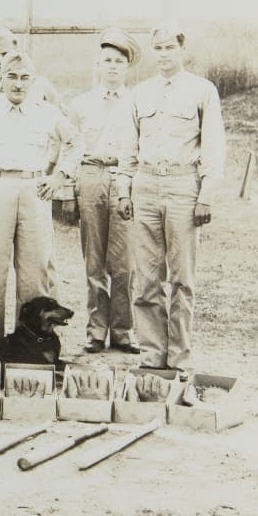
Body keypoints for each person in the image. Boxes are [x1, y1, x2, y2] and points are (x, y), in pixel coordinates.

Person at [116, 25, 226, 376]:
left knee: (182, 278)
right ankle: (151, 355)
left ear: (182, 48)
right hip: (145, 185)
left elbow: (212, 147)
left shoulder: (202, 91)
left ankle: (179, 357)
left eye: (169, 47)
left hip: (183, 186)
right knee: (146, 278)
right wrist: (123, 189)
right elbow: (127, 147)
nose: (163, 54)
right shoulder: (140, 94)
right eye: (158, 48)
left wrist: (205, 195)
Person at [0, 53, 82, 344]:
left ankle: (33, 344)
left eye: (25, 77)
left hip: (33, 190)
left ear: (33, 80)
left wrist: (59, 176)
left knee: (36, 272)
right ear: (0, 77)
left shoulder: (47, 112)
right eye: (12, 77)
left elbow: (77, 142)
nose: (18, 84)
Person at [67, 27, 143, 355]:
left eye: (119, 61)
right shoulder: (81, 104)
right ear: (97, 65)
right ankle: (96, 330)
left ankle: (124, 331)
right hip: (91, 175)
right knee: (94, 259)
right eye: (107, 60)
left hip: (125, 178)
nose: (112, 66)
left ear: (127, 67)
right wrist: (70, 192)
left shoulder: (139, 102)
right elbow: (69, 149)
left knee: (124, 262)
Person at [0, 28, 66, 112]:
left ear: (16, 52)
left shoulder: (40, 85)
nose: (0, 60)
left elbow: (60, 118)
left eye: (5, 54)